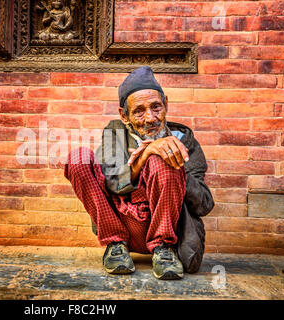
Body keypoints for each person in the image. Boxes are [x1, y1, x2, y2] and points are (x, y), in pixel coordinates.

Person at [64, 66, 214, 280]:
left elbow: (205, 204)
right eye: (139, 111)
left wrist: (174, 163)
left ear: (166, 105)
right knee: (78, 158)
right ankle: (115, 245)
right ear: (124, 115)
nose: (150, 118)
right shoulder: (115, 133)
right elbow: (112, 183)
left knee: (162, 159)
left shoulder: (184, 139)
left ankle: (163, 249)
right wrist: (144, 156)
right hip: (123, 227)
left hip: (171, 233)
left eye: (156, 107)